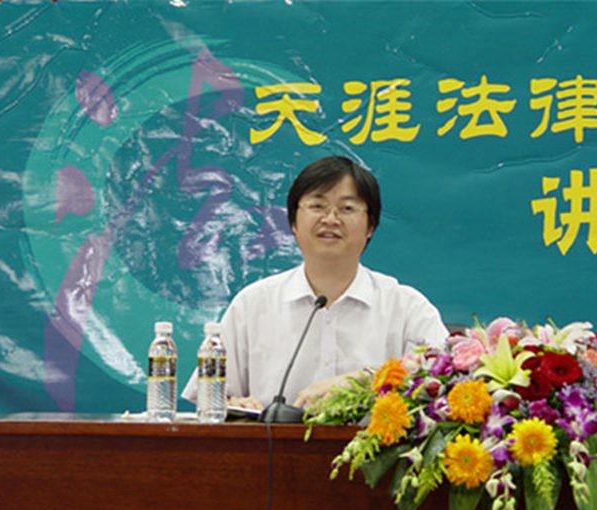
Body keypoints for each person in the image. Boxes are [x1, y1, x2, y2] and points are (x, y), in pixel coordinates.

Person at [182, 156, 447, 410]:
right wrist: (232, 407)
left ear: (371, 226)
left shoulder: (406, 308)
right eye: (317, 206)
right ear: (293, 222)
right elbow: (209, 398)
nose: (330, 219)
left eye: (347, 208)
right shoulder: (253, 305)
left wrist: (365, 380)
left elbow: (447, 380)